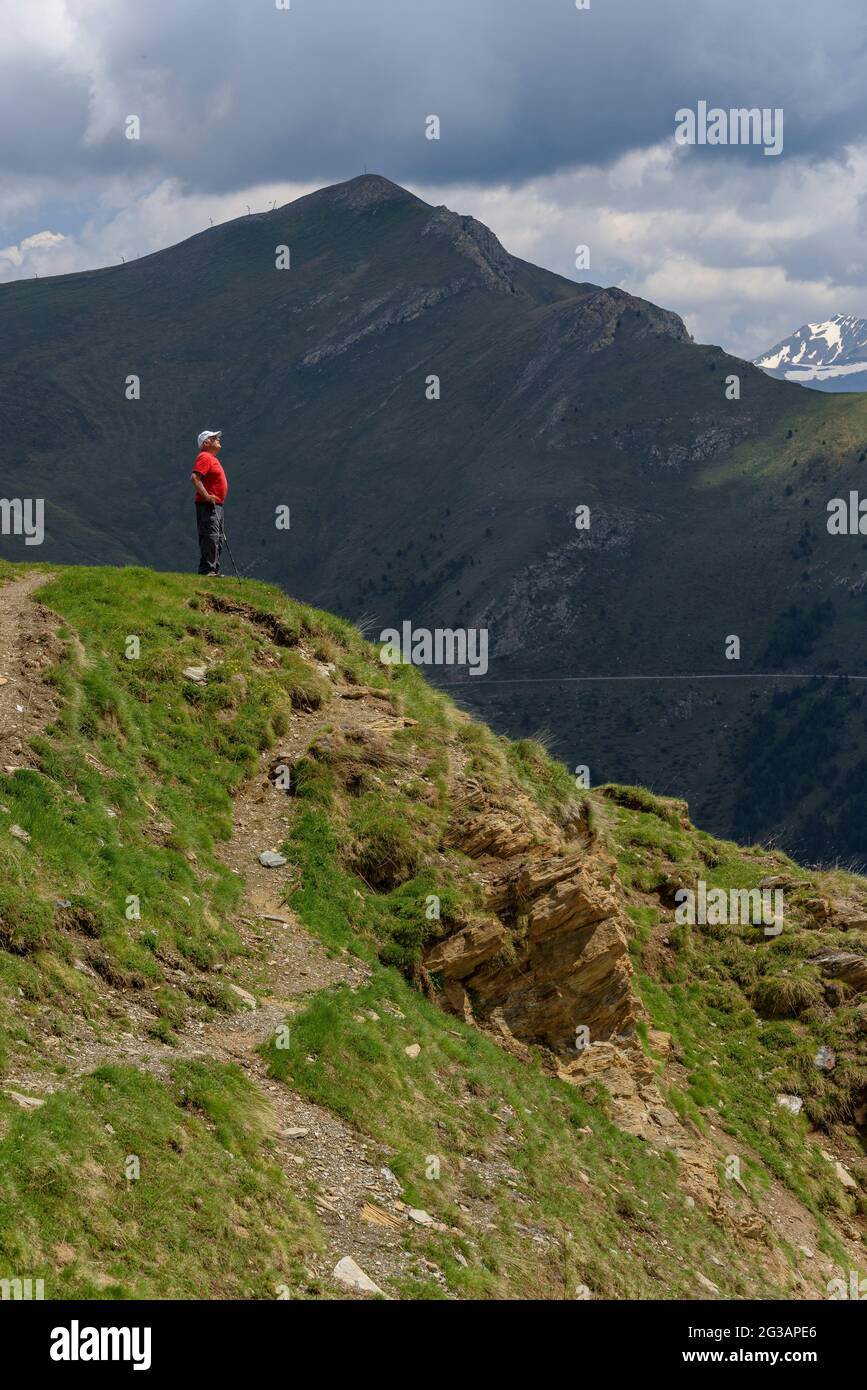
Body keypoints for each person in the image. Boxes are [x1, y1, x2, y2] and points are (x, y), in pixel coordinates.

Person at [191, 430, 227, 576]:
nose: (218, 439)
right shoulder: (205, 457)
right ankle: (208, 570)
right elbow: (195, 478)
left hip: (215, 505)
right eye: (214, 438)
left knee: (217, 537)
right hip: (208, 505)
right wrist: (206, 496)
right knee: (210, 536)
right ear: (206, 443)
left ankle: (214, 569)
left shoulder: (211, 458)